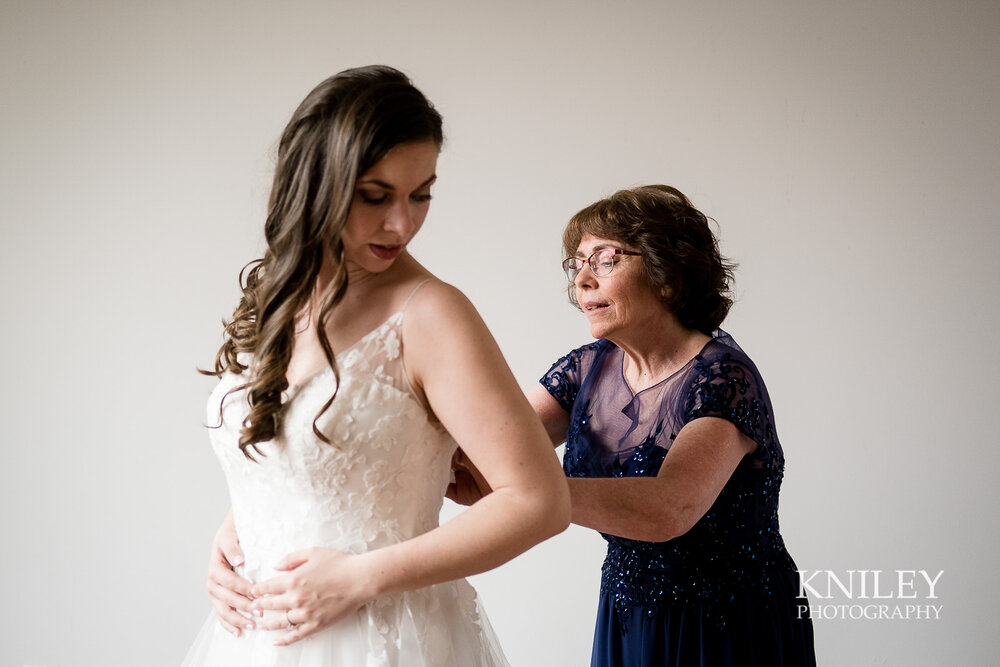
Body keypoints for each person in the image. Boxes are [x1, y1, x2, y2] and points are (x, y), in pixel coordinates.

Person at [184, 65, 570, 667]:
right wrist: (236, 536)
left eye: (421, 195)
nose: (403, 223)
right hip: (256, 640)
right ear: (313, 185)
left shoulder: (432, 315)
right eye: (375, 196)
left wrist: (358, 578)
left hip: (385, 641)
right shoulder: (277, 296)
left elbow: (539, 501)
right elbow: (304, 454)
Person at [454, 184, 816, 666]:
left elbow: (669, 508)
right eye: (577, 263)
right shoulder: (586, 368)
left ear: (668, 275)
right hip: (627, 610)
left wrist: (530, 492)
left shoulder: (725, 377)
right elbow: (491, 446)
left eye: (604, 258)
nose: (583, 279)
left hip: (727, 624)